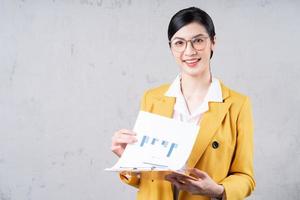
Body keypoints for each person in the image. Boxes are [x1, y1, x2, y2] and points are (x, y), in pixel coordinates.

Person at [111, 7, 255, 200]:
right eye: (179, 43)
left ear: (213, 42)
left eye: (198, 40)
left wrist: (217, 190)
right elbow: (147, 180)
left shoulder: (237, 104)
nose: (189, 51)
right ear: (171, 47)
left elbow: (245, 177)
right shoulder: (152, 98)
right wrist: (128, 159)